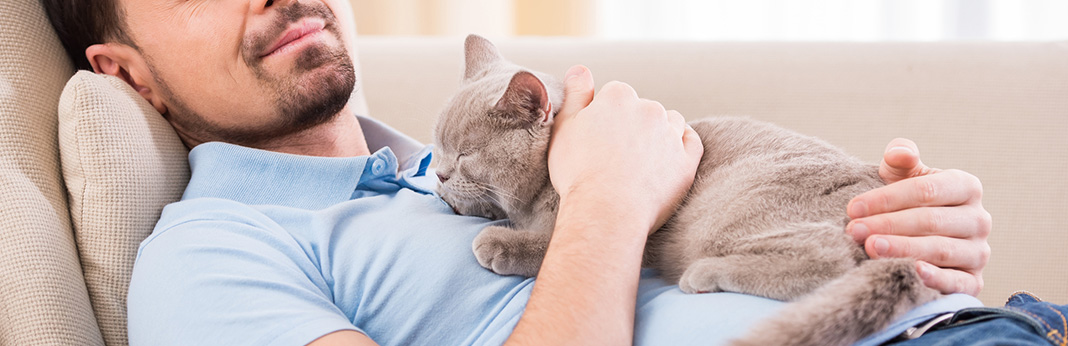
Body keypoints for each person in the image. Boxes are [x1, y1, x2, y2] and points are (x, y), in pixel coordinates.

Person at [41, 0, 1062, 345]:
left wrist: (910, 235)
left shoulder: (460, 159)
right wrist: (610, 204)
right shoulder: (206, 257)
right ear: (124, 69)